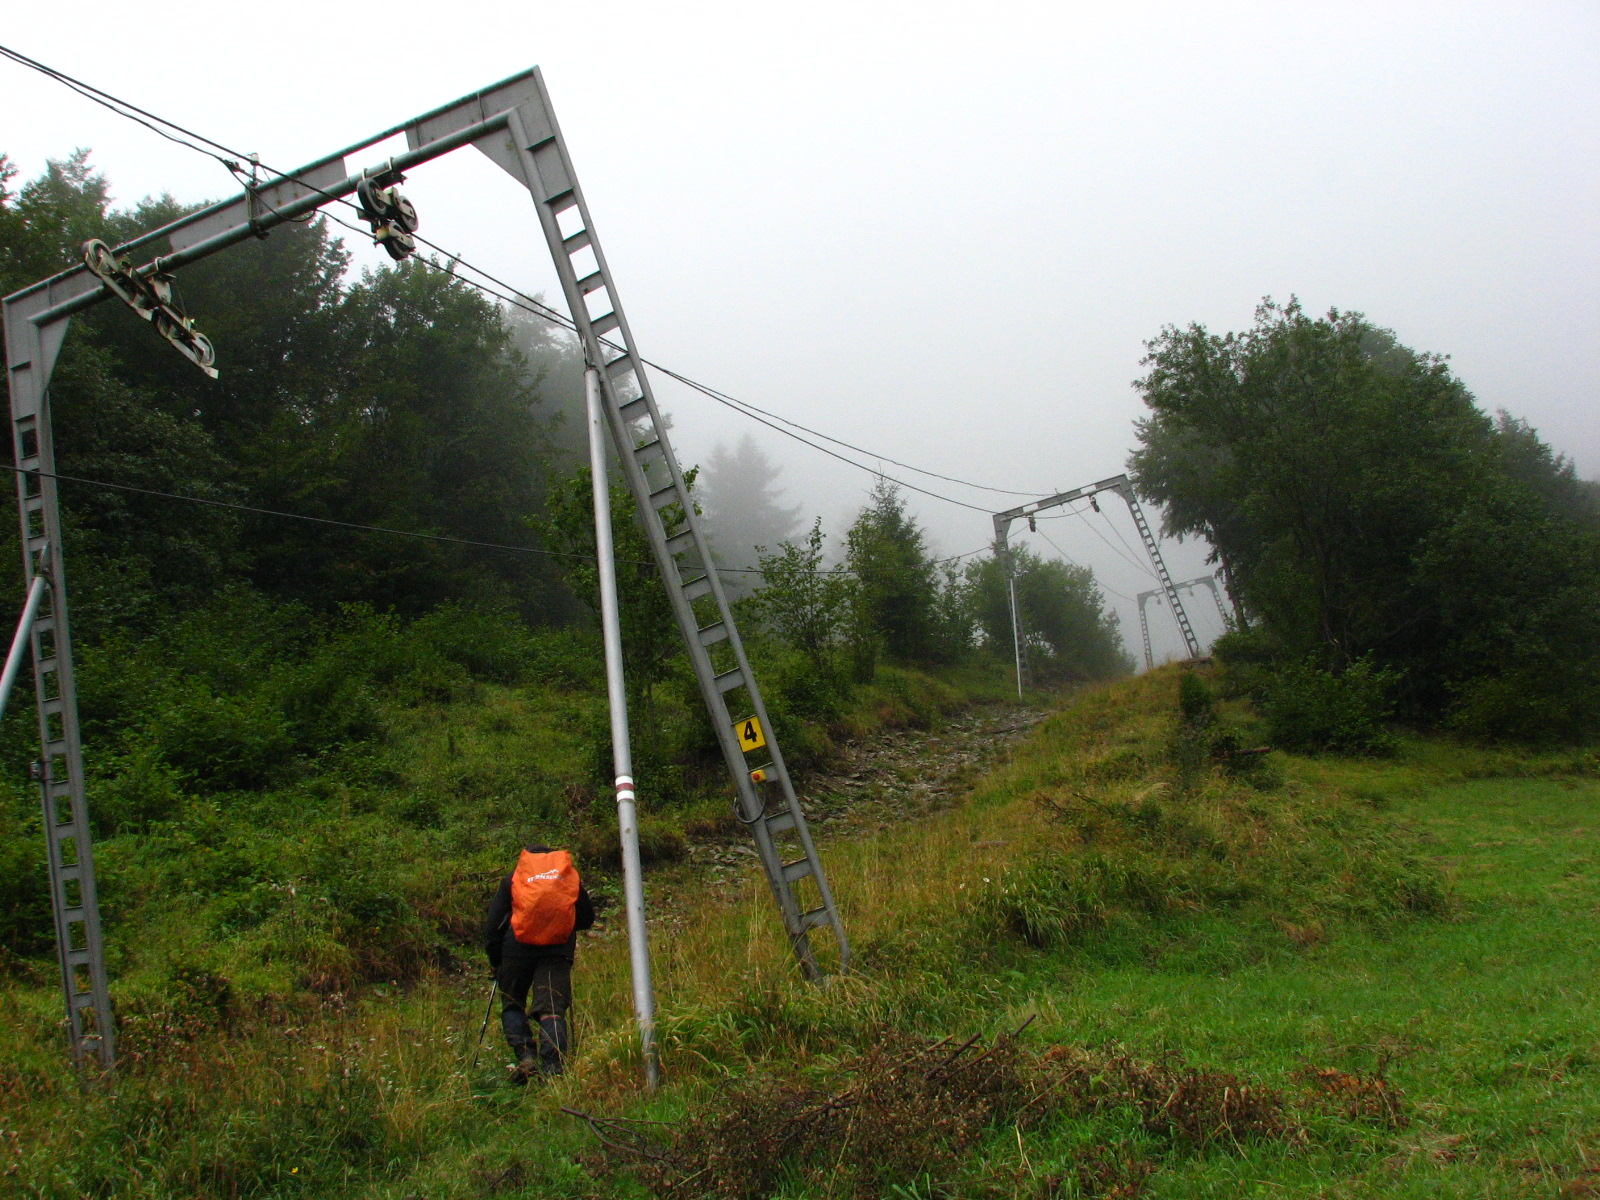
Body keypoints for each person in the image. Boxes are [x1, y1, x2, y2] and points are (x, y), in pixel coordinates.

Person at [483, 842, 595, 1081]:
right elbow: (587, 918)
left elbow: (493, 925)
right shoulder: (568, 876)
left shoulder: (515, 878)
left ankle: (526, 1057)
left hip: (516, 950)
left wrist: (496, 959)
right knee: (551, 1010)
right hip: (556, 951)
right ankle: (554, 1068)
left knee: (513, 1004)